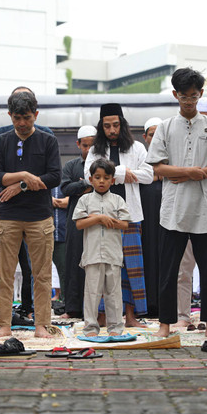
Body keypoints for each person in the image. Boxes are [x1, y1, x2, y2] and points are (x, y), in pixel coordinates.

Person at [146, 68, 207, 338]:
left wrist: (199, 174)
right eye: (184, 97)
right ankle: (165, 324)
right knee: (169, 271)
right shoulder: (166, 127)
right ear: (175, 95)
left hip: (204, 209)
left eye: (194, 97)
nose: (189, 102)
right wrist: (189, 173)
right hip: (172, 211)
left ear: (201, 95)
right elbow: (158, 168)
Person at [0, 91, 61, 338]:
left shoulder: (48, 140)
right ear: (9, 115)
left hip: (40, 217)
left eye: (27, 118)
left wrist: (19, 186)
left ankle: (41, 325)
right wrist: (25, 176)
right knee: (4, 274)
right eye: (17, 117)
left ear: (36, 115)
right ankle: (3, 325)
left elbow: (54, 177)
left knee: (42, 275)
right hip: (6, 217)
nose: (22, 123)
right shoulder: (1, 141)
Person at [85, 103, 153, 327]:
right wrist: (127, 174)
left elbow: (149, 175)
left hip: (130, 215)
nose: (112, 130)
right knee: (104, 266)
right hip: (101, 215)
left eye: (115, 125)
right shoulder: (95, 150)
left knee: (131, 267)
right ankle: (103, 315)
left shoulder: (136, 148)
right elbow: (88, 176)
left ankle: (131, 316)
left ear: (122, 125)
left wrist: (117, 173)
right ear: (101, 127)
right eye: (107, 126)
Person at [74, 159, 132, 336]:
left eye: (106, 177)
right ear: (90, 179)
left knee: (114, 294)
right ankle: (91, 328)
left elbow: (125, 224)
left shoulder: (117, 199)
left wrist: (108, 220)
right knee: (92, 293)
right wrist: (98, 219)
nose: (101, 181)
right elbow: (79, 224)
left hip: (113, 254)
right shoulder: (84, 199)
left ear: (112, 180)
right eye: (97, 177)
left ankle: (115, 328)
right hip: (92, 255)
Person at [60, 126, 96, 318]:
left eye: (92, 145)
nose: (89, 149)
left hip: (98, 218)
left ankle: (96, 309)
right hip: (76, 218)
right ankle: (73, 308)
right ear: (78, 145)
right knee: (74, 261)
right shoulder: (71, 165)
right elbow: (66, 188)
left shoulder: (102, 164)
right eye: (85, 145)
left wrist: (83, 185)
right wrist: (85, 184)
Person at [139, 117, 163, 317]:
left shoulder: (174, 157)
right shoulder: (140, 157)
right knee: (147, 255)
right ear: (145, 137)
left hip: (167, 215)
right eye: (152, 135)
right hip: (146, 214)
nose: (155, 139)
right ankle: (148, 304)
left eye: (159, 134)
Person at [51, 186, 68, 301]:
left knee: (64, 269)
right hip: (44, 234)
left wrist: (54, 202)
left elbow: (70, 201)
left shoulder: (66, 180)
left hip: (63, 234)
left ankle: (65, 300)